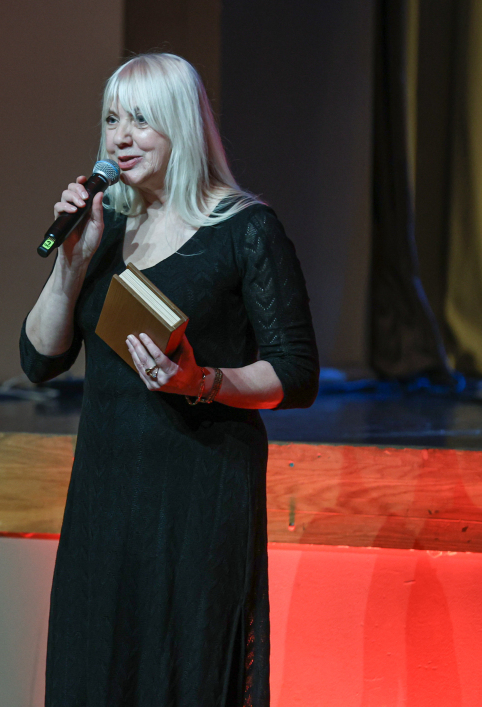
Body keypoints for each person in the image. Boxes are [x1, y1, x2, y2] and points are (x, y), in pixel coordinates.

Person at [21, 53, 319, 706]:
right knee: (98, 669)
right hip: (105, 495)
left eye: (140, 120)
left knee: (183, 671)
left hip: (198, 494)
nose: (120, 138)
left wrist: (201, 380)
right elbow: (39, 360)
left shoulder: (245, 229)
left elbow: (295, 374)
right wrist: (71, 263)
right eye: (111, 120)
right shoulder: (103, 226)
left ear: (181, 125)